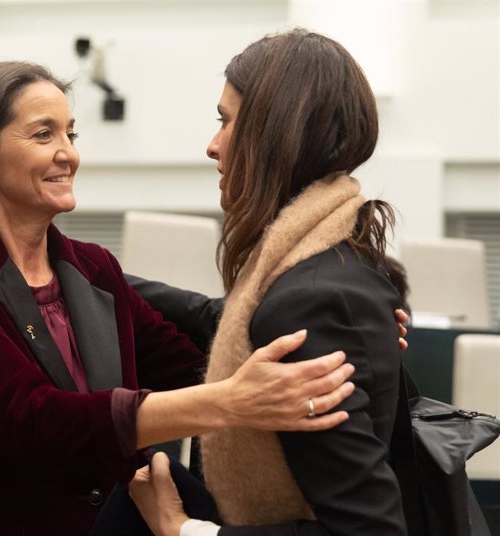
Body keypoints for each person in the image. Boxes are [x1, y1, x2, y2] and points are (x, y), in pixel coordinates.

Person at [0, 60, 359, 535]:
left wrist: (339, 332)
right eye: (43, 134)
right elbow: (29, 419)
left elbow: (195, 364)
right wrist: (227, 402)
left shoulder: (93, 267)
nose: (67, 154)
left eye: (71, 134)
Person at [126, 29, 407, 536]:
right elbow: (228, 320)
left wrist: (182, 530)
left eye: (226, 121)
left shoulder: (313, 300)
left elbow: (370, 530)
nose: (213, 146)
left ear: (275, 133)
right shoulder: (332, 258)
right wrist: (83, 273)